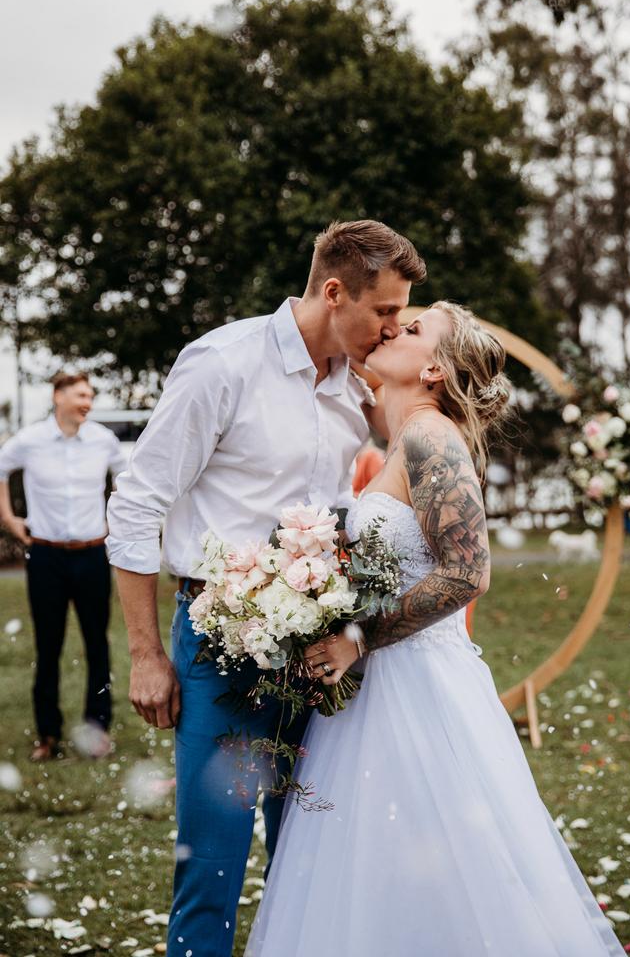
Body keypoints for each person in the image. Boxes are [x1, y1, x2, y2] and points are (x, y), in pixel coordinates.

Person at [245, 303, 626, 957]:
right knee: (380, 863)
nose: (394, 328)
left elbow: (468, 574)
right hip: (376, 690)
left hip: (417, 687)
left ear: (433, 371)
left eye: (413, 328)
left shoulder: (431, 438)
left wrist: (356, 636)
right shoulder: (406, 436)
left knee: (436, 857)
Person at [105, 220, 428, 957]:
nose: (393, 326)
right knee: (211, 867)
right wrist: (146, 653)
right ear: (334, 290)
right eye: (384, 310)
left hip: (316, 654)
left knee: (308, 860)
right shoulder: (223, 363)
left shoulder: (357, 383)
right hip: (218, 641)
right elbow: (136, 505)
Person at [0, 372, 126, 762]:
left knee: (97, 645)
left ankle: (98, 729)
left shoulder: (103, 440)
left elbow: (128, 478)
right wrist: (9, 519)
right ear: (58, 397)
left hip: (91, 555)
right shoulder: (29, 440)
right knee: (49, 645)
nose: (87, 402)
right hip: (46, 557)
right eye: (80, 395)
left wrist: (115, 519)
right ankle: (48, 736)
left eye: (90, 395)